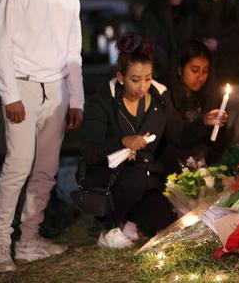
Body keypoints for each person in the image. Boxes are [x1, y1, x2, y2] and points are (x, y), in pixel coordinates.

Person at [0, 0, 85, 273]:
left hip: (56, 89)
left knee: (46, 169)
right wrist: (10, 93)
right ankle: (0, 243)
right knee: (18, 165)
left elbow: (74, 51)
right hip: (23, 88)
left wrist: (76, 99)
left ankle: (29, 241)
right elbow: (2, 44)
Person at [78, 34, 224, 248]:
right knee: (136, 177)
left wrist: (204, 121)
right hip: (108, 177)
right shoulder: (102, 102)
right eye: (135, 79)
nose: (142, 86)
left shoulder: (159, 97)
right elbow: (90, 152)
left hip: (145, 178)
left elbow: (180, 134)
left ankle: (130, 220)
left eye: (147, 78)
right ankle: (110, 226)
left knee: (166, 224)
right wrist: (122, 142)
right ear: (120, 77)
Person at [159, 39, 227, 175]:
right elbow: (178, 135)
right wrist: (204, 122)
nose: (200, 77)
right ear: (180, 69)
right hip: (173, 171)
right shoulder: (165, 96)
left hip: (205, 168)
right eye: (194, 70)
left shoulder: (210, 96)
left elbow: (217, 144)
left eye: (205, 71)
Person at [140, 0, 198, 81]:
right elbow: (151, 43)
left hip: (183, 72)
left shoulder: (185, 11)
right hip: (160, 73)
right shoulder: (153, 13)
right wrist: (169, 65)